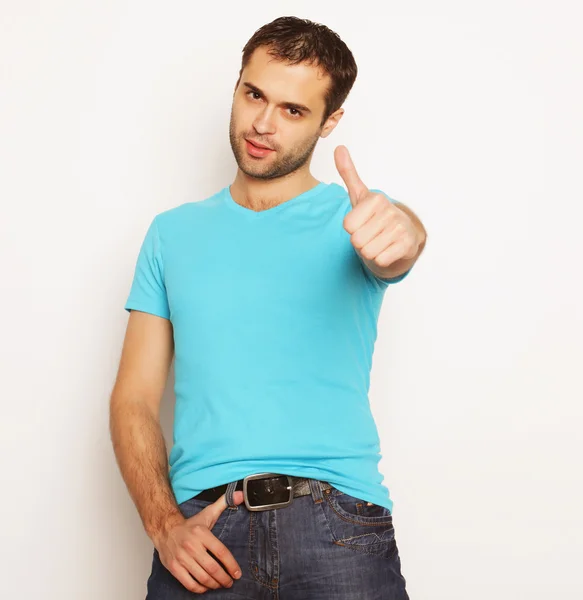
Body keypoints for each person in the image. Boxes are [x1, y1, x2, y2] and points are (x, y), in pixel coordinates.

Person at [110, 15, 426, 599]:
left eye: (293, 110)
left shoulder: (358, 220)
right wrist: (163, 526)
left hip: (338, 528)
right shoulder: (171, 234)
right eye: (254, 94)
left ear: (330, 121)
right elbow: (133, 398)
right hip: (206, 533)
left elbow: (398, 246)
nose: (262, 124)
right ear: (236, 86)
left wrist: (402, 235)